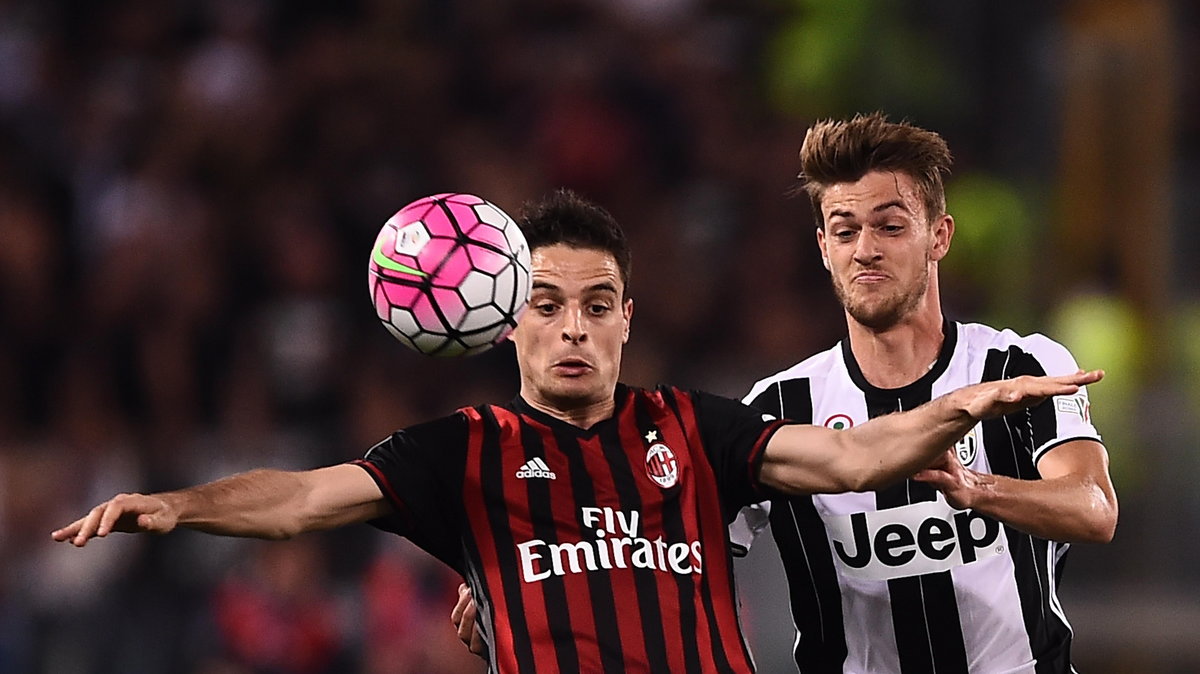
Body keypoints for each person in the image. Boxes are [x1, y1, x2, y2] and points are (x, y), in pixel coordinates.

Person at [53, 189, 1102, 674]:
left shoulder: (693, 426)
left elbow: (850, 454)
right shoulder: (463, 452)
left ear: (627, 319)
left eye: (598, 304)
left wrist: (950, 409)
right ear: (507, 315)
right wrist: (184, 505)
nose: (574, 328)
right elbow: (301, 499)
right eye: (549, 303)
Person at [730, 112, 1119, 673]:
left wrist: (978, 490)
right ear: (823, 246)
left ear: (939, 236)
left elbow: (1095, 509)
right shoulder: (778, 408)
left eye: (890, 226)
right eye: (845, 230)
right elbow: (689, 559)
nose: (865, 249)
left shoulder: (1019, 366)